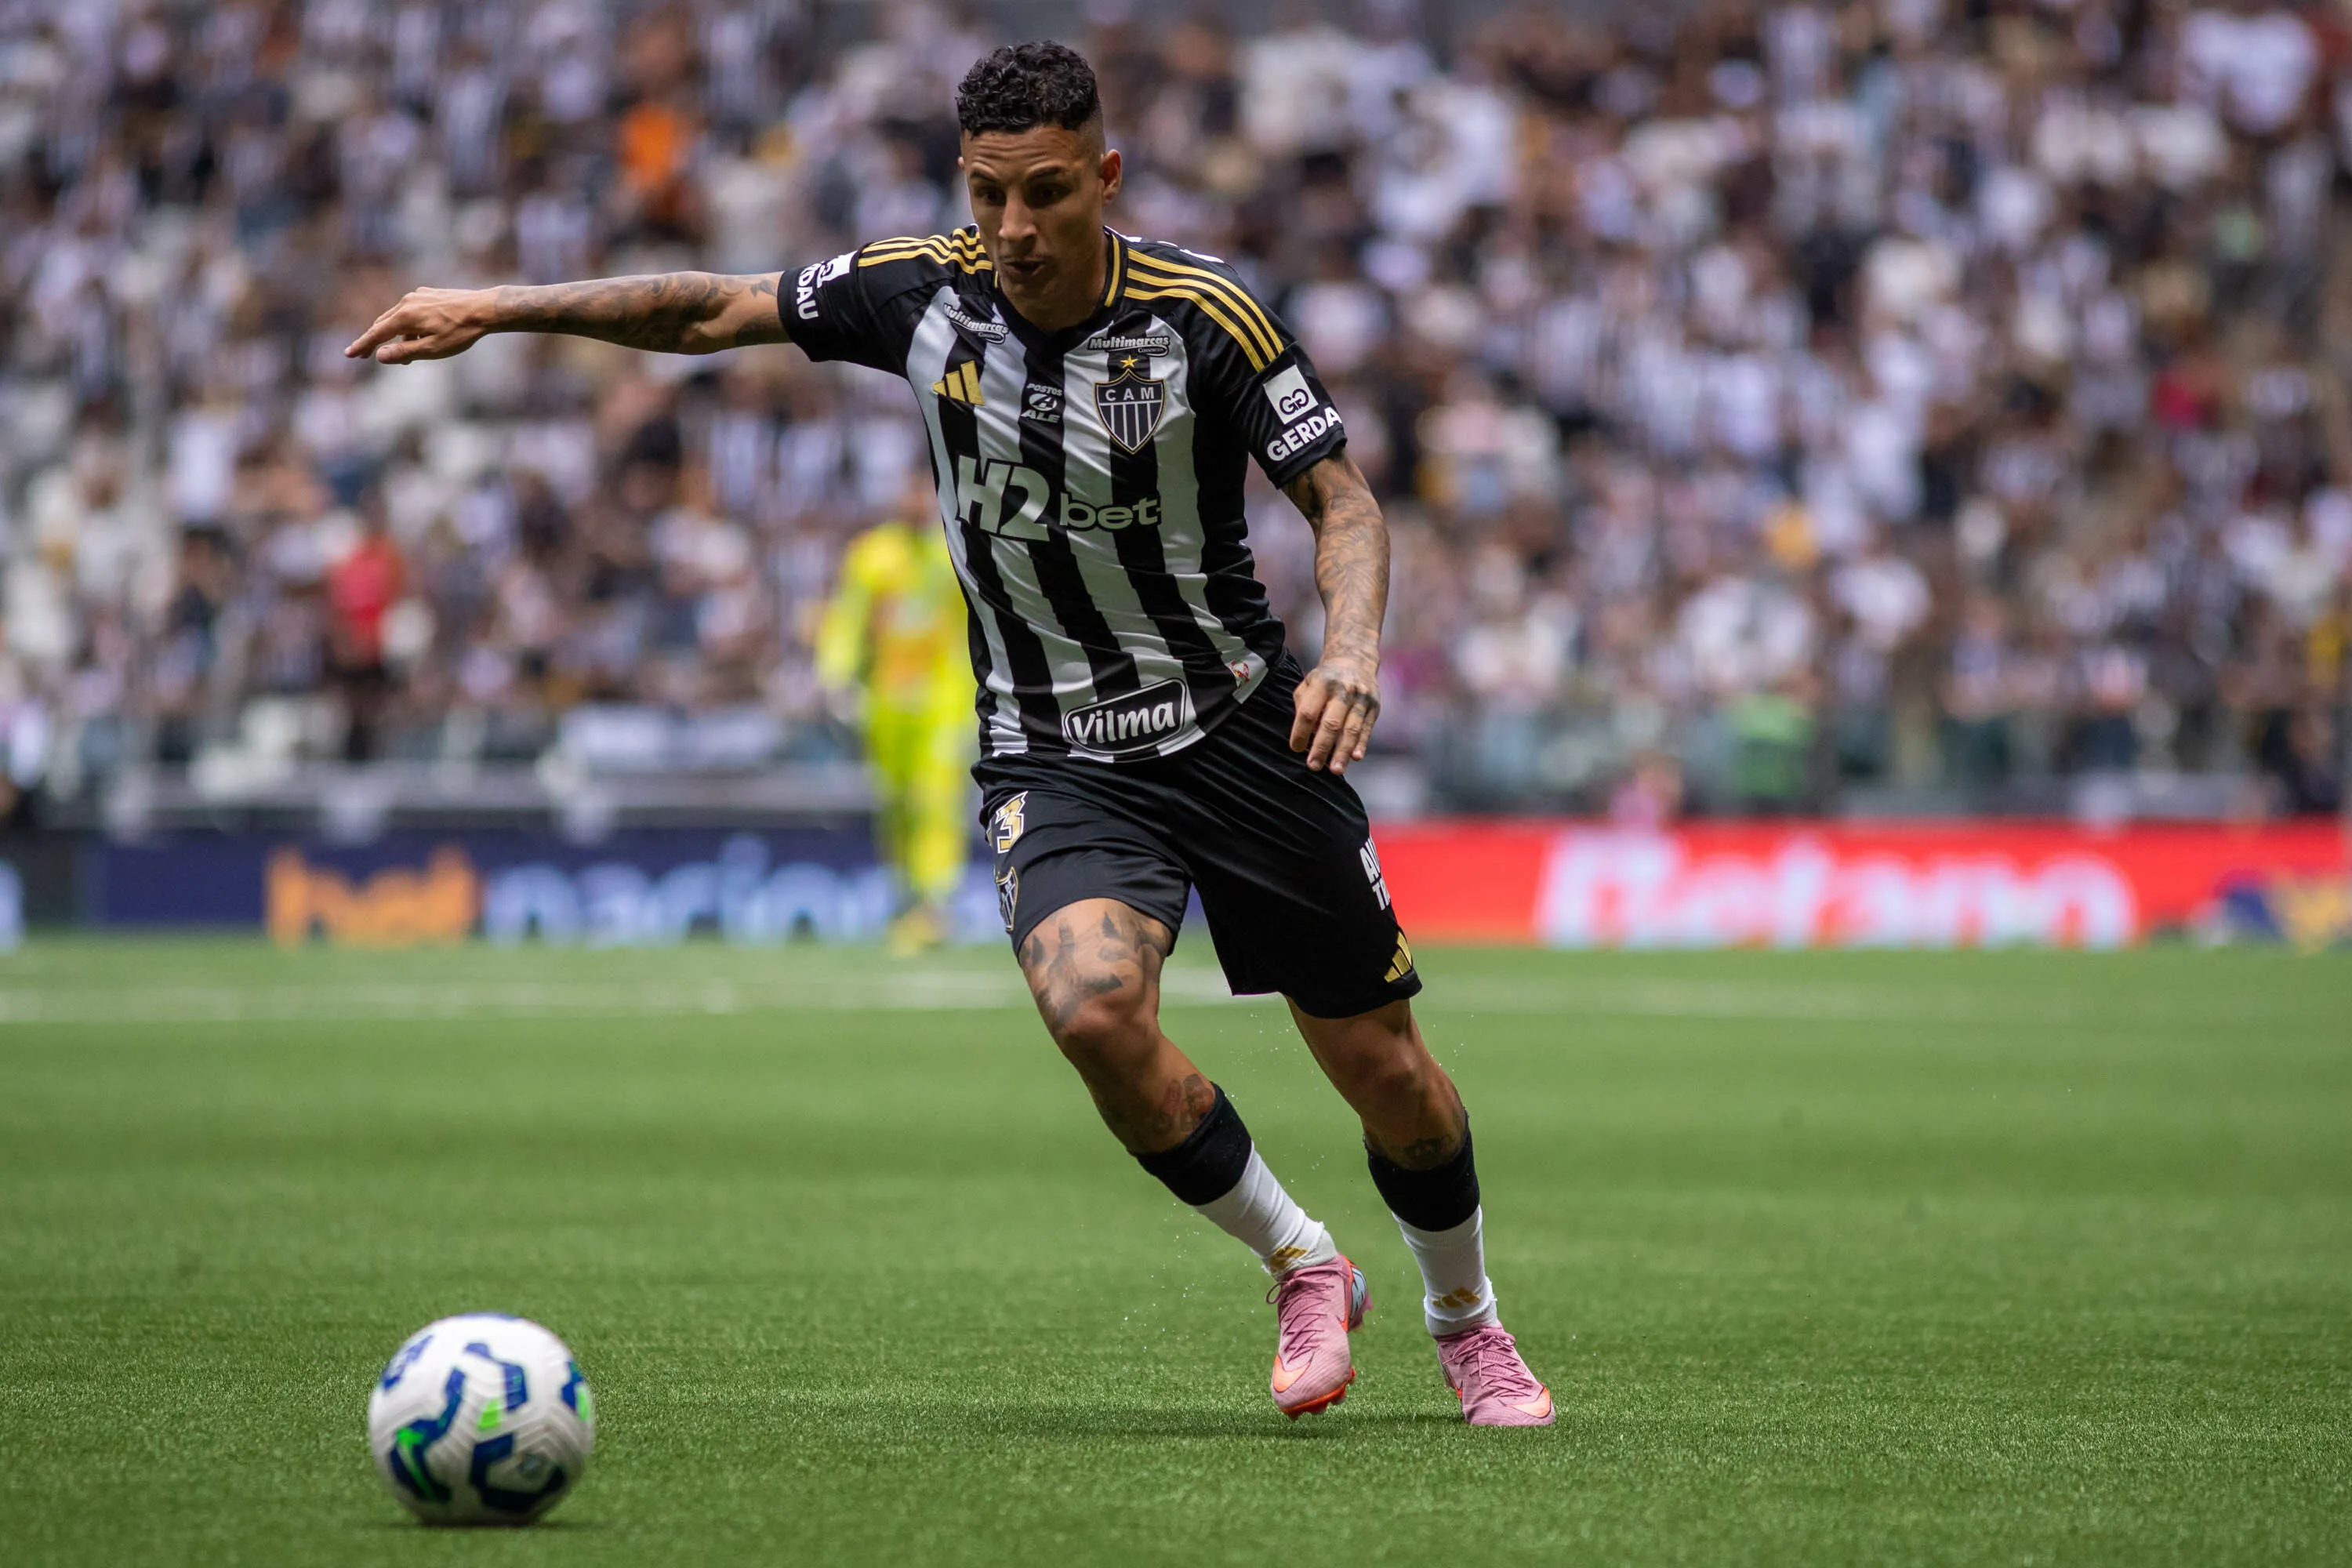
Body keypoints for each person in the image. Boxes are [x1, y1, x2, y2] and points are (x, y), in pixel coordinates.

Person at [346, 40, 1552, 1427]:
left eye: (1044, 193)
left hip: (1241, 732)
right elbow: (706, 313)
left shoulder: (1205, 317)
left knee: (1388, 1075)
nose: (1014, 229)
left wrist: (1348, 654)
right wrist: (496, 309)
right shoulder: (919, 292)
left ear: (1104, 177)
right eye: (988, 195)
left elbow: (1341, 504)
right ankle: (1302, 1260)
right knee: (1093, 1011)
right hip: (1058, 750)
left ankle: (1468, 1322)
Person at [816, 470, 978, 953]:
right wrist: (838, 677)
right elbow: (848, 619)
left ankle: (934, 907)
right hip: (886, 705)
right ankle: (906, 900)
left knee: (936, 801)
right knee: (895, 805)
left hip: (942, 705)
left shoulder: (953, 552)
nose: (913, 502)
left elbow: (974, 625)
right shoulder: (872, 555)